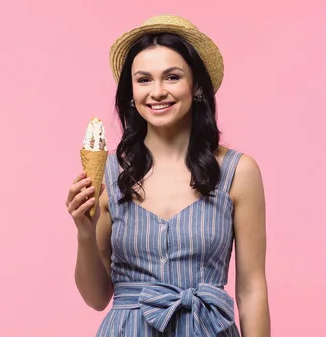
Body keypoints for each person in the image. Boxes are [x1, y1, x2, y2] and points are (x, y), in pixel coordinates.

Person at [66, 14, 270, 336]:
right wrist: (85, 233)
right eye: (144, 80)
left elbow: (252, 290)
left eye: (172, 77)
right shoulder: (109, 174)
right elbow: (96, 298)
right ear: (131, 93)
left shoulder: (238, 172)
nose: (157, 92)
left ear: (197, 85)